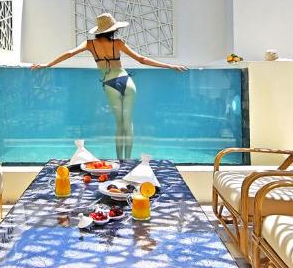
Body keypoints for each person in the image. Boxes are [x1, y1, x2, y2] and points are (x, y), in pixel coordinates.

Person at [32, 12, 187, 159]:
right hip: (126, 80)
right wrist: (171, 66)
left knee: (119, 124)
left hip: (109, 83)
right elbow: (141, 59)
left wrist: (48, 64)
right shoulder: (118, 43)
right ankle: (128, 160)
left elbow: (69, 53)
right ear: (114, 30)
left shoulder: (90, 44)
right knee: (128, 122)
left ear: (98, 31)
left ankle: (120, 159)